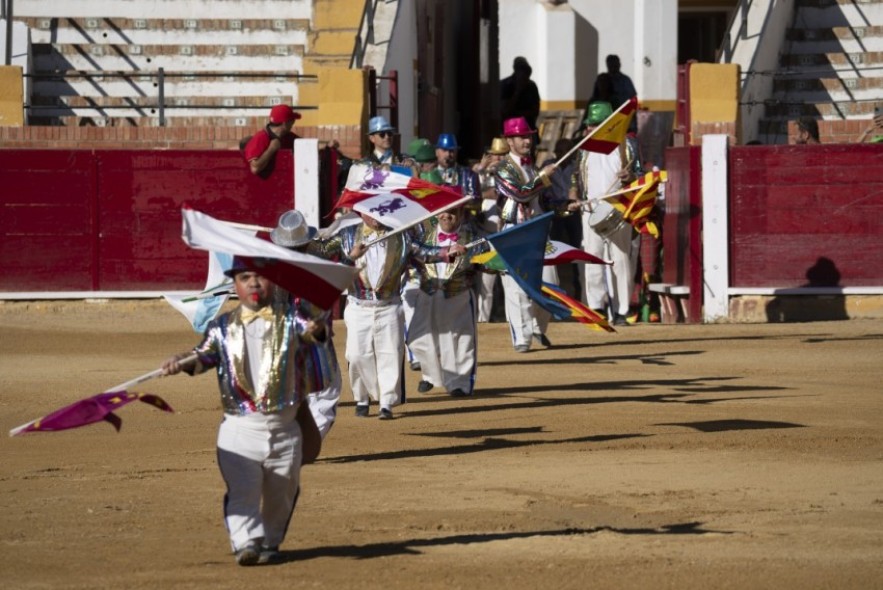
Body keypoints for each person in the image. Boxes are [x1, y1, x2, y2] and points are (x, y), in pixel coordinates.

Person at [161, 258, 312, 566]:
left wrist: (319, 327)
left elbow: (316, 335)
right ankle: (246, 542)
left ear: (274, 284)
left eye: (261, 277)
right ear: (235, 286)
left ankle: (270, 541)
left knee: (281, 492)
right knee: (244, 489)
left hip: (285, 428)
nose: (254, 283)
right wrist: (182, 360)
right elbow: (202, 357)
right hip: (240, 428)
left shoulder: (294, 319)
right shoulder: (221, 328)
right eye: (246, 277)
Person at [308, 214, 465, 419]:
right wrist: (300, 240)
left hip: (389, 304)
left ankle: (386, 402)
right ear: (362, 213)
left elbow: (422, 252)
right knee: (356, 355)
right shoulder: (346, 235)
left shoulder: (400, 235)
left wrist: (446, 252)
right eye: (370, 213)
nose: (375, 218)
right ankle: (362, 396)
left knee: (389, 353)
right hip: (358, 305)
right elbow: (321, 252)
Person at [495, 116, 580, 352]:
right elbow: (519, 194)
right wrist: (543, 176)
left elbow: (547, 201)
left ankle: (537, 328)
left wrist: (566, 206)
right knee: (516, 288)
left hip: (539, 231)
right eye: (521, 136)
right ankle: (521, 338)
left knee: (550, 283)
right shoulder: (503, 168)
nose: (526, 140)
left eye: (528, 136)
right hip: (515, 232)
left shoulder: (532, 166)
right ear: (509, 141)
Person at [569, 101, 643, 326]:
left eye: (596, 125)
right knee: (592, 258)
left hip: (618, 208)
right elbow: (576, 177)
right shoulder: (584, 148)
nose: (591, 129)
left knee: (621, 259)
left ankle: (622, 309)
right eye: (590, 125)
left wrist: (629, 176)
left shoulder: (627, 144)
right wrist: (573, 197)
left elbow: (640, 175)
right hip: (590, 208)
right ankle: (597, 307)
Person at [269, 210, 341, 440]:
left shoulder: (274, 267)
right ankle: (304, 443)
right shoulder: (314, 262)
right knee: (325, 392)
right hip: (311, 341)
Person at [408, 205, 489, 397]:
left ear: (461, 214)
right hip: (428, 292)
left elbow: (487, 263)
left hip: (458, 293)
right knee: (418, 338)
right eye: (443, 211)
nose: (446, 216)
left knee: (460, 339)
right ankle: (431, 375)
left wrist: (487, 261)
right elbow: (412, 255)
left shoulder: (474, 238)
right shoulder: (422, 236)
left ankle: (459, 384)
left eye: (452, 212)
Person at [471, 137, 508, 322]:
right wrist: (481, 170)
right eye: (495, 155)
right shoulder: (480, 174)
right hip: (485, 233)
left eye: (502, 155)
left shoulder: (512, 174)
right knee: (485, 283)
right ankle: (482, 321)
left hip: (506, 234)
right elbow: (470, 194)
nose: (498, 159)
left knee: (509, 282)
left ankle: (509, 320)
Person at [242, 104, 302, 177]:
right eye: (292, 120)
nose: (293, 123)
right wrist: (271, 149)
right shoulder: (261, 137)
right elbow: (255, 168)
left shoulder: (289, 137)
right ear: (285, 123)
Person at [500, 56, 541, 141]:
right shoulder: (506, 85)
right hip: (509, 130)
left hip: (528, 128)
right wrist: (517, 91)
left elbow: (535, 111)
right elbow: (505, 111)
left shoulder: (531, 86)